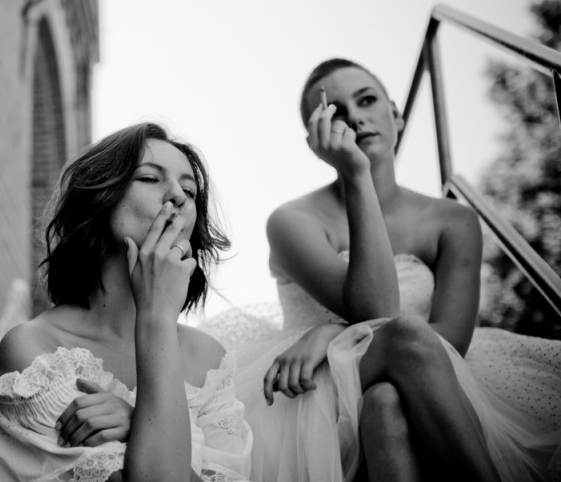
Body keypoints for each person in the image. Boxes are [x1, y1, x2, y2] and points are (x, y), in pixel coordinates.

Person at [202, 58, 561, 482]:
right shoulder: (292, 221)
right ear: (316, 138)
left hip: (429, 377)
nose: (354, 116)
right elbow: (380, 309)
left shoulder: (452, 220)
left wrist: (334, 332)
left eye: (367, 100)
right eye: (334, 111)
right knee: (406, 336)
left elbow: (450, 344)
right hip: (317, 392)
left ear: (395, 113)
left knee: (385, 402)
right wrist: (355, 174)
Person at [0, 123, 253, 481]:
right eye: (150, 179)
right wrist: (155, 319)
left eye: (189, 189)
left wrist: (136, 423)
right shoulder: (37, 350)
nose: (178, 197)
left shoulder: (209, 359)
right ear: (100, 198)